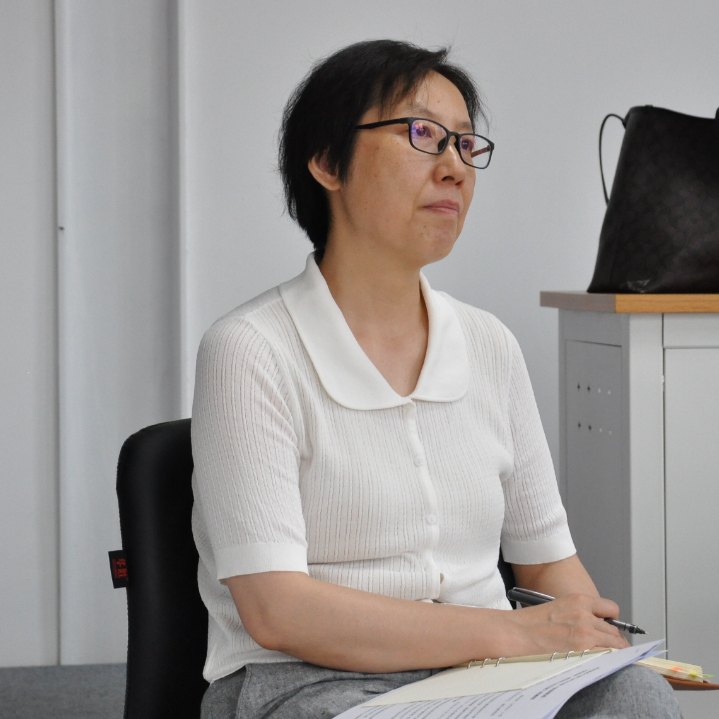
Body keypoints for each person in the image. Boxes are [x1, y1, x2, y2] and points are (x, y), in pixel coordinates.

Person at [192, 40, 683, 719]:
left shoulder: (488, 345)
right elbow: (279, 611)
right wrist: (516, 633)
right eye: (422, 134)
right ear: (327, 161)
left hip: (492, 675)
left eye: (465, 143)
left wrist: (588, 640)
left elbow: (547, 564)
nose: (454, 167)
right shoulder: (251, 350)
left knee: (639, 698)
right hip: (310, 681)